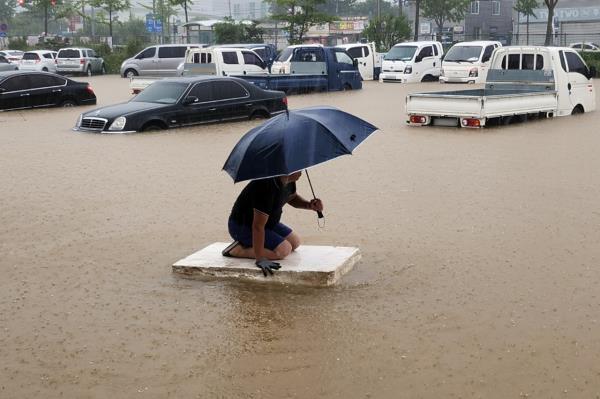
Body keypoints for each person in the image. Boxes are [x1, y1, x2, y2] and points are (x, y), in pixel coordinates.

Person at [222, 171, 324, 276]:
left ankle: (250, 244)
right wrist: (260, 258)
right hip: (243, 226)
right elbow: (257, 226)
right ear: (286, 170)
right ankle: (238, 250)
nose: (301, 172)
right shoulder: (266, 187)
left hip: (268, 223)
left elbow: (291, 197)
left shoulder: (289, 180)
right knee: (283, 250)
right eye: (298, 169)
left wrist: (309, 205)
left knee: (295, 242)